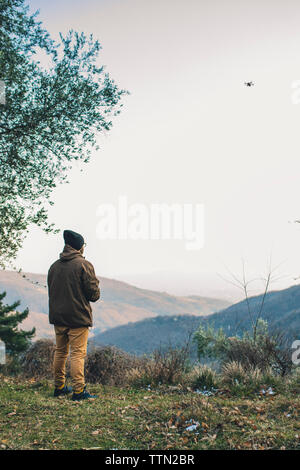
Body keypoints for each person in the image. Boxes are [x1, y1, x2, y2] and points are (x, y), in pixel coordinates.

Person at [47, 229, 100, 401]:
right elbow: (94, 295)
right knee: (77, 354)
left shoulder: (54, 266)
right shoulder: (84, 265)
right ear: (80, 247)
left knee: (60, 352)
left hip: (58, 317)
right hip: (78, 318)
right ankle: (78, 391)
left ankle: (59, 387)